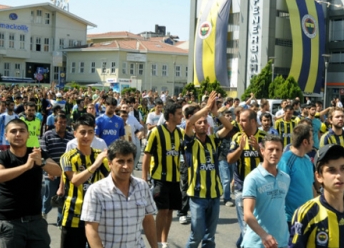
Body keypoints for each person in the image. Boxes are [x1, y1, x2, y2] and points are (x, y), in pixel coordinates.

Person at [0, 118, 61, 248]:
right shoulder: (2, 156)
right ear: (6, 136)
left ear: (28, 135)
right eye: (13, 131)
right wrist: (26, 166)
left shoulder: (36, 153)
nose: (18, 134)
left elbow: (58, 171)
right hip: (10, 222)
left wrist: (42, 163)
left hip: (36, 220)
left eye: (22, 131)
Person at [80, 139, 157, 248]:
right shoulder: (96, 191)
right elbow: (91, 229)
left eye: (129, 161)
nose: (126, 166)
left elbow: (148, 220)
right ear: (110, 163)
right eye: (120, 161)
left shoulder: (142, 186)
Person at [289, 144, 344, 247]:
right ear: (319, 176)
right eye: (331, 170)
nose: (339, 175)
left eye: (343, 168)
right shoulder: (306, 213)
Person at [184, 91, 233, 247]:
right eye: (200, 123)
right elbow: (188, 123)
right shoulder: (190, 142)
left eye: (205, 122)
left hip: (214, 196)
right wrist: (206, 108)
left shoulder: (213, 140)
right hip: (197, 196)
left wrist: (215, 113)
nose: (203, 125)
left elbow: (229, 126)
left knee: (210, 238)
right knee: (196, 236)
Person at [58, 114, 110, 248]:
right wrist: (95, 165)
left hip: (97, 215)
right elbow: (75, 180)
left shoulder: (101, 155)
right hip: (73, 215)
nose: (86, 136)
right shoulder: (68, 156)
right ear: (75, 133)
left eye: (90, 132)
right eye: (82, 132)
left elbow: (111, 179)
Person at [142, 101, 184, 248]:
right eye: (179, 114)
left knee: (170, 210)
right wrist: (144, 178)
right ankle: (157, 242)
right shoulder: (156, 132)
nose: (182, 116)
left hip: (175, 177)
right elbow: (146, 155)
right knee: (163, 209)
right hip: (160, 177)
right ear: (170, 115)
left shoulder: (180, 133)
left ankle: (164, 241)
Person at [228, 109, 268, 248]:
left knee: (258, 224)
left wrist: (258, 149)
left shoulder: (264, 137)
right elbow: (229, 159)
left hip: (262, 187)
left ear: (252, 121)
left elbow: (273, 161)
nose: (240, 123)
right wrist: (239, 149)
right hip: (242, 188)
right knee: (246, 226)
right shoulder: (237, 137)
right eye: (239, 120)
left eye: (243, 120)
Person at [241, 134, 290, 248]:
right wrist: (264, 235)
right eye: (270, 149)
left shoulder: (286, 178)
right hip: (257, 243)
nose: (274, 153)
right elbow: (247, 214)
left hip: (281, 242)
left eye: (278, 150)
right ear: (262, 151)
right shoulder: (253, 178)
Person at [277, 124, 316, 228]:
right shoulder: (286, 161)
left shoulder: (307, 159)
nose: (314, 142)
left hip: (308, 217)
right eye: (312, 139)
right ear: (305, 142)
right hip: (290, 220)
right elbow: (279, 192)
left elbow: (311, 186)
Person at [40, 113, 74, 225]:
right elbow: (44, 153)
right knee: (49, 196)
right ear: (55, 123)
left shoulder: (70, 137)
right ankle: (44, 212)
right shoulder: (47, 135)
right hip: (51, 173)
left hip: (66, 172)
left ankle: (60, 221)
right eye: (60, 122)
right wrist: (50, 170)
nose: (63, 125)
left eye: (65, 122)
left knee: (62, 196)